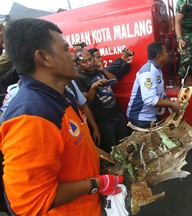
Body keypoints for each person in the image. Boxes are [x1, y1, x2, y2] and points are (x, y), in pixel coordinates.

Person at [0, 18, 123, 215]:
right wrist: (96, 184)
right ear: (44, 57)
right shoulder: (32, 116)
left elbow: (75, 144)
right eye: (66, 49)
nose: (75, 56)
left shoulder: (61, 95)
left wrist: (112, 161)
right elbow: (29, 202)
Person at [75, 48, 128, 152]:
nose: (89, 63)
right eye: (84, 62)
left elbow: (115, 80)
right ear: (78, 64)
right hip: (104, 121)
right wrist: (93, 87)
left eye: (90, 59)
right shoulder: (79, 78)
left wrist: (103, 69)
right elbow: (87, 102)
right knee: (113, 150)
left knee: (126, 144)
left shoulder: (98, 70)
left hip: (116, 114)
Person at [126, 41, 181, 128]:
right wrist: (171, 104)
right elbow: (150, 99)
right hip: (140, 119)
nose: (169, 54)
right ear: (159, 56)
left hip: (149, 118)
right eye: (166, 51)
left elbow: (160, 93)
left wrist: (169, 101)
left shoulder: (157, 69)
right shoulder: (148, 72)